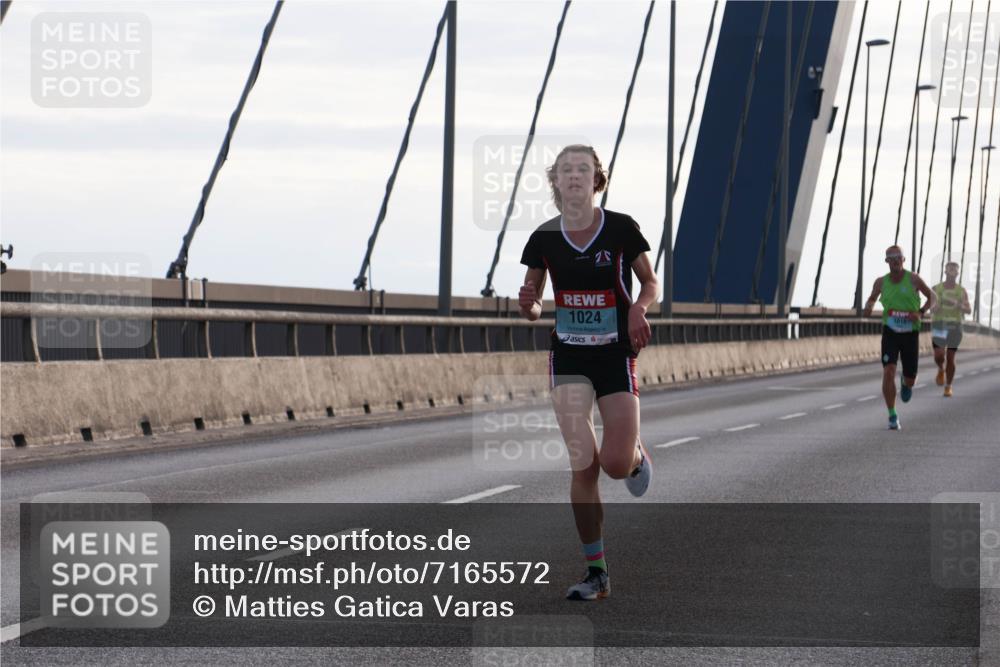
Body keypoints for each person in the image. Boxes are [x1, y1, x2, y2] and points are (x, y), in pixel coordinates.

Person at [518, 145, 659, 601]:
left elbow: (650, 281)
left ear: (597, 179)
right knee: (584, 463)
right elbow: (535, 298)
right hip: (570, 358)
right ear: (555, 182)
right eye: (565, 170)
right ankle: (596, 572)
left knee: (615, 464)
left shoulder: (620, 228)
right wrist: (530, 305)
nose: (574, 176)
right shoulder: (543, 238)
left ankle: (635, 454)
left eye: (583, 169)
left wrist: (638, 307)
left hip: (615, 353)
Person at [863, 245, 936, 430]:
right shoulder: (881, 282)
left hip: (910, 333)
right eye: (891, 257)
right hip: (891, 331)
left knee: (911, 378)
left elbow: (933, 297)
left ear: (904, 260)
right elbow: (872, 298)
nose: (895, 260)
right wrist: (869, 306)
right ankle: (892, 415)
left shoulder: (913, 279)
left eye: (898, 257)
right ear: (887, 261)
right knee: (888, 371)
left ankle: (906, 382)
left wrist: (920, 312)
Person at [930, 261, 971, 397]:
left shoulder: (961, 290)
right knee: (939, 355)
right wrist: (934, 307)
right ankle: (941, 369)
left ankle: (948, 386)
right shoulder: (936, 288)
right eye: (950, 270)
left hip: (955, 326)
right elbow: (931, 306)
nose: (952, 273)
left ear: (958, 273)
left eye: (955, 270)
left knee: (951, 357)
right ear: (945, 272)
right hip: (939, 324)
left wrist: (957, 304)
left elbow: (968, 309)